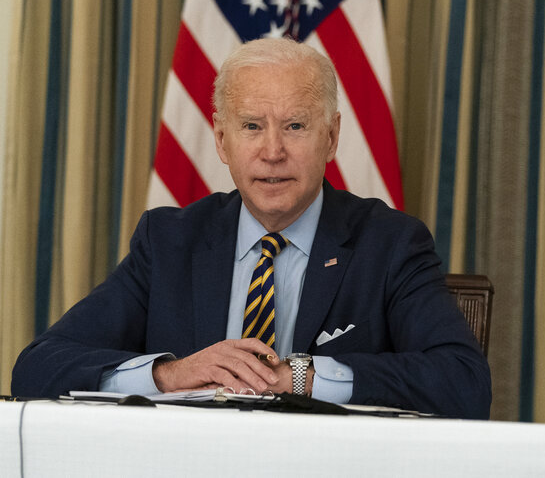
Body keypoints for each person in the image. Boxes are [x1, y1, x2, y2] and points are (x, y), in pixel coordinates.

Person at [11, 38, 491, 419]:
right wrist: (170, 374)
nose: (273, 151)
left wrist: (300, 377)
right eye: (252, 127)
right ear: (222, 140)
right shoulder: (170, 241)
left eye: (296, 126)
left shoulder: (389, 243)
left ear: (333, 136)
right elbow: (37, 367)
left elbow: (463, 383)